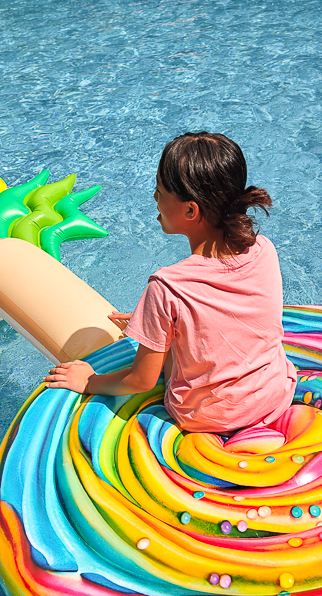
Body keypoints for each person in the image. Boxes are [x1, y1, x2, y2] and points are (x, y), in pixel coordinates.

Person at [44, 132, 296, 434]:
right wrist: (157, 322)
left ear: (190, 210)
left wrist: (89, 381)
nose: (154, 198)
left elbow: (142, 381)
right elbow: (234, 315)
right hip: (275, 393)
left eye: (159, 190)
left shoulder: (167, 287)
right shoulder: (263, 249)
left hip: (208, 415)